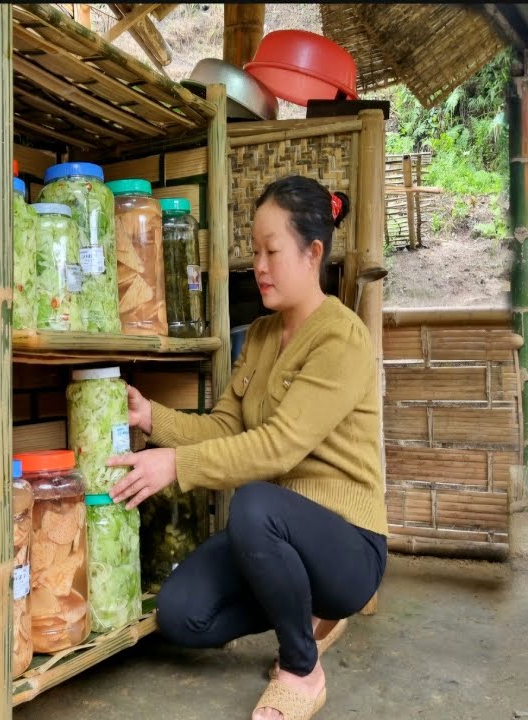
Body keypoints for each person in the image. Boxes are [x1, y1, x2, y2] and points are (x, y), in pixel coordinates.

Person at [107, 176, 387, 720]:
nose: (258, 264)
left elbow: (278, 448)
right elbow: (225, 428)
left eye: (272, 251)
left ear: (312, 253)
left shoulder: (342, 338)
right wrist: (152, 418)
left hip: (348, 545)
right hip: (276, 536)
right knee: (181, 613)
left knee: (253, 503)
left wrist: (177, 466)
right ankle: (305, 612)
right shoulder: (259, 336)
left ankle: (302, 669)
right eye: (254, 251)